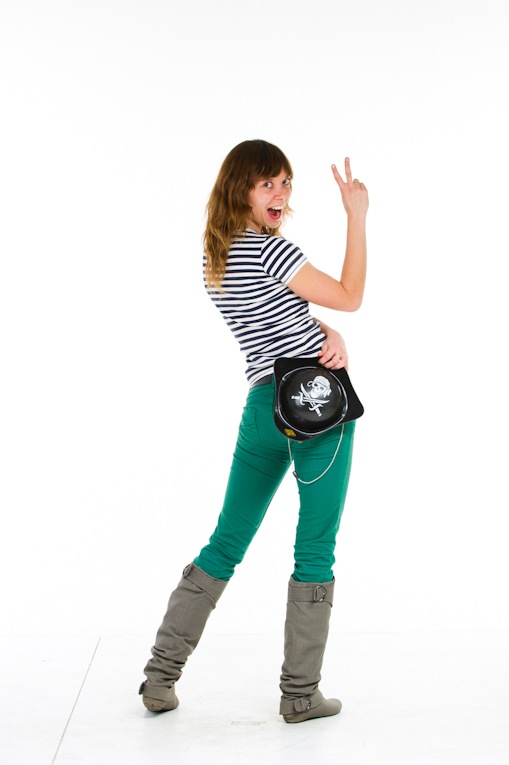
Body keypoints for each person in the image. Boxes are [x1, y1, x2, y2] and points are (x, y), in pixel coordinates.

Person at [139, 139, 368, 723]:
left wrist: (326, 332)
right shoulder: (273, 250)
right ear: (240, 187)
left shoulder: (216, 258)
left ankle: (159, 677)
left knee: (225, 543)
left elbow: (275, 317)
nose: (281, 193)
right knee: (314, 548)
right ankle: (300, 695)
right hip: (315, 409)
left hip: (262, 410)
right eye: (268, 182)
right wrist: (357, 215)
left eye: (286, 182)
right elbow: (350, 296)